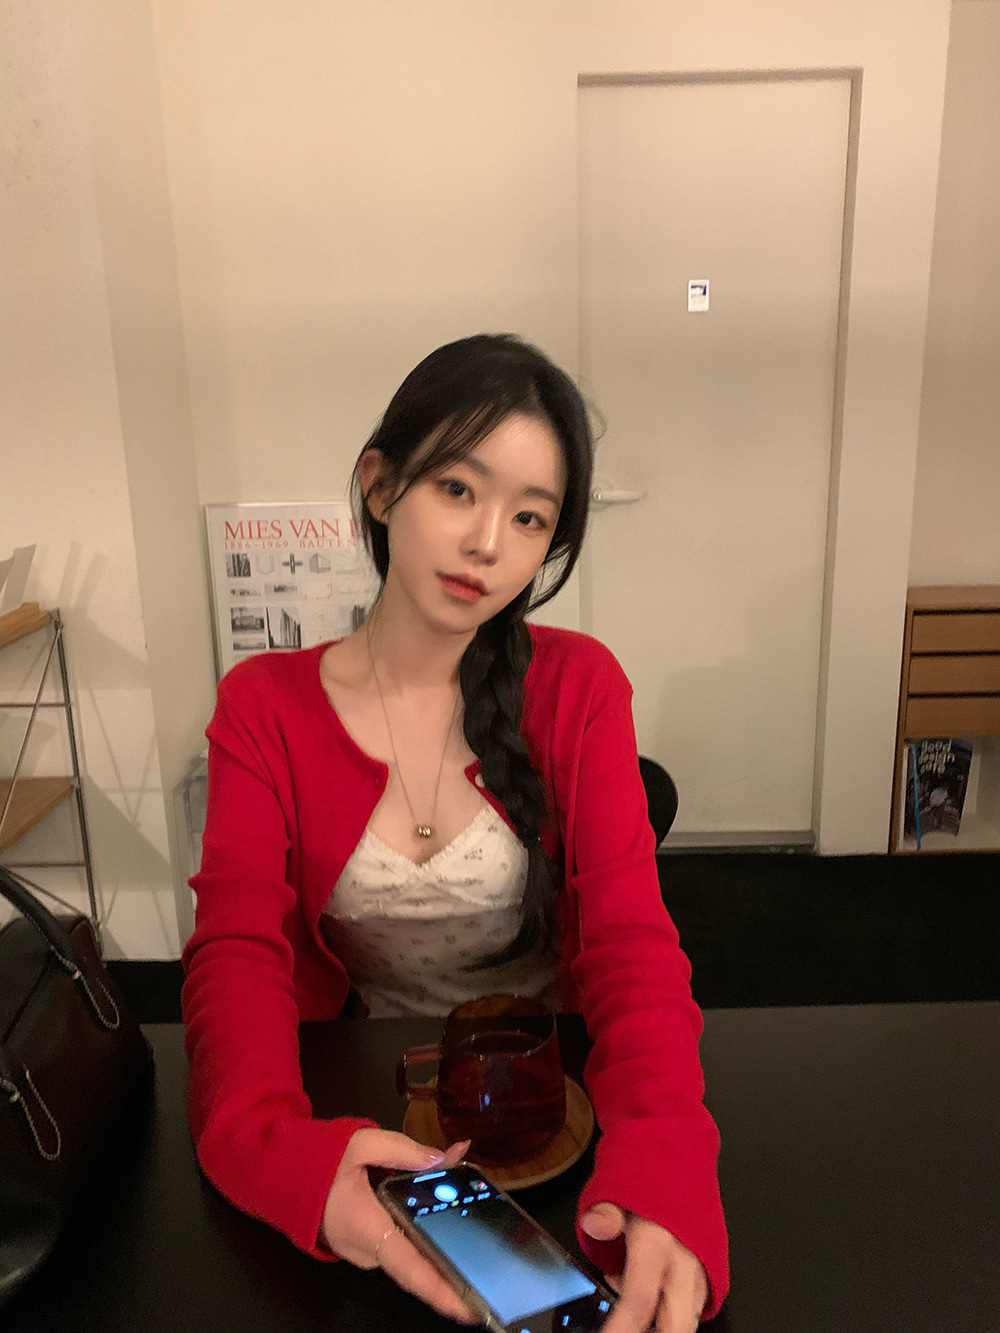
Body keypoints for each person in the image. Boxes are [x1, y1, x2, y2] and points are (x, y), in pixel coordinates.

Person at [182, 333, 728, 1331]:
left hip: (557, 1101)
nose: (487, 544)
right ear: (381, 485)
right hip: (369, 1100)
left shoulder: (579, 686)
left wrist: (666, 1163)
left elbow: (631, 946)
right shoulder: (263, 706)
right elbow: (237, 957)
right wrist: (270, 1147)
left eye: (530, 518)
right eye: (457, 490)